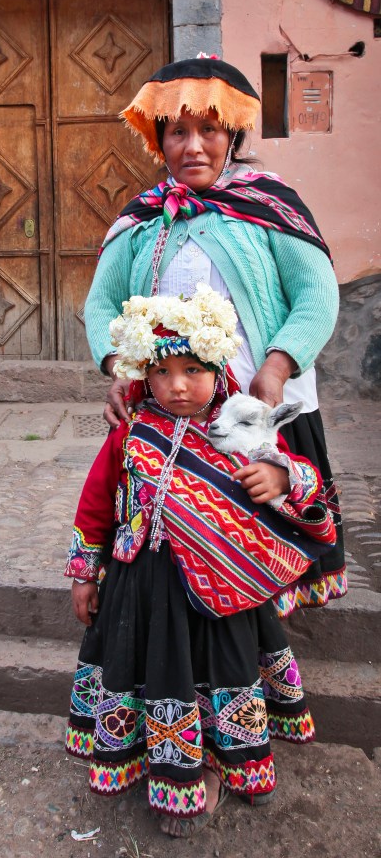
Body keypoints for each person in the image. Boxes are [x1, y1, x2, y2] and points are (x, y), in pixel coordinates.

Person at [65, 290, 336, 837]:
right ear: (143, 375)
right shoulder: (131, 432)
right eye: (161, 372)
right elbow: (96, 503)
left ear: (218, 368)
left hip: (224, 599)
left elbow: (303, 482)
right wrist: (83, 574)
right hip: (143, 588)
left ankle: (226, 765)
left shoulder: (243, 426)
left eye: (193, 369)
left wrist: (281, 478)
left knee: (219, 677)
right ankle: (170, 777)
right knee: (159, 677)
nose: (178, 385)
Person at [84, 54, 346, 618]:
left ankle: (250, 654)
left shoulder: (269, 206)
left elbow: (317, 296)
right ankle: (183, 655)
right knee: (177, 546)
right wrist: (117, 368)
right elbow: (101, 304)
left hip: (253, 409)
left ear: (232, 134)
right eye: (178, 132)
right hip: (171, 408)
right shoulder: (142, 220)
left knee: (255, 535)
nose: (194, 146)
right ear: (160, 141)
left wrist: (276, 367)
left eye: (209, 130)